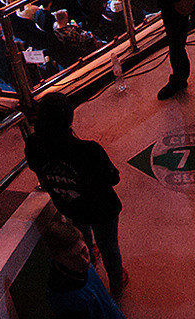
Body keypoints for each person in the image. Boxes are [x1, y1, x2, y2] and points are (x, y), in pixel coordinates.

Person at [24, 92, 127, 295]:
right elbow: (113, 178)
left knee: (80, 235)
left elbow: (37, 169)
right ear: (70, 119)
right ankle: (116, 283)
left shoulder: (34, 144)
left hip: (69, 204)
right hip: (102, 210)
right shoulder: (89, 150)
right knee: (109, 246)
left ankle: (88, 260)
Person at [40, 214, 130, 319]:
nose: (84, 261)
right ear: (56, 256)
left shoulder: (71, 266)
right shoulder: (68, 299)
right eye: (73, 257)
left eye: (84, 251)